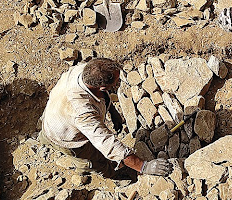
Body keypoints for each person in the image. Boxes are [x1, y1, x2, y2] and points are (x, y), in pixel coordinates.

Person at [39, 58, 172, 177]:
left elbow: (101, 96)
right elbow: (108, 144)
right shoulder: (82, 112)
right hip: (65, 137)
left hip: (55, 116)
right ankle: (107, 174)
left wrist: (112, 112)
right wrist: (144, 166)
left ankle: (43, 138)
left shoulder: (84, 70)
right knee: (94, 161)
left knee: (47, 135)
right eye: (115, 82)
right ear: (102, 88)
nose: (118, 83)